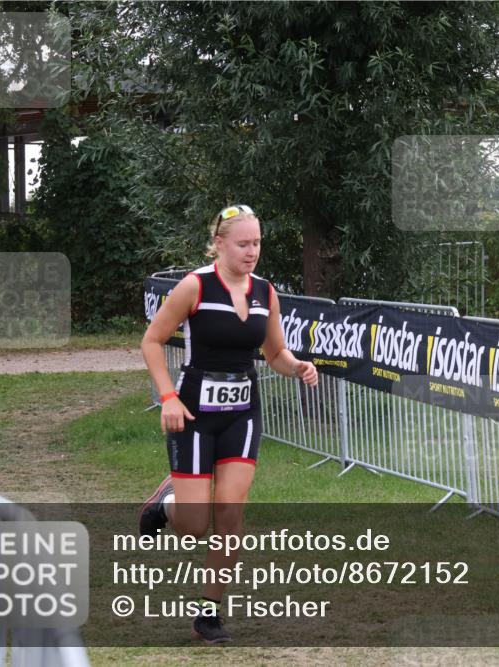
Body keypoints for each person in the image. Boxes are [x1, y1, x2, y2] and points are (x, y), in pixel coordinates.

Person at [139, 204, 318, 644]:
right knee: (194, 526)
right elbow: (152, 340)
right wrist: (167, 398)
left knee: (231, 515)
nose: (252, 251)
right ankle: (166, 503)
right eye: (243, 243)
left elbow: (274, 354)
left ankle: (209, 613)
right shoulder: (194, 286)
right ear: (219, 243)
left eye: (257, 242)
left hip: (242, 413)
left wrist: (297, 367)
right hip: (194, 414)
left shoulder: (265, 291)